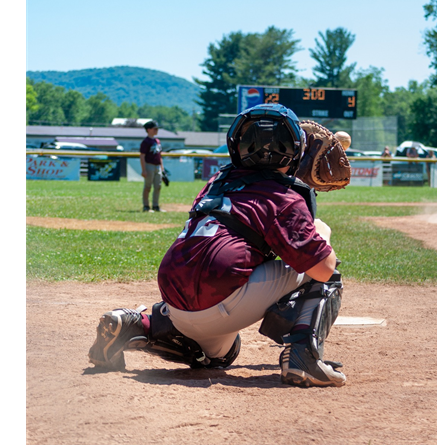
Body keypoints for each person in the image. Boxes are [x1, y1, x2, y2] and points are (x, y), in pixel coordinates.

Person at [88, 104, 347, 387]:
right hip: (222, 297)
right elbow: (322, 268)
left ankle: (138, 325)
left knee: (220, 355)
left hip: (174, 296)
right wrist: (319, 227)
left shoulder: (216, 182)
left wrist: (291, 184)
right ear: (295, 151)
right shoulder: (285, 196)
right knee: (326, 269)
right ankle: (303, 355)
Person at [140, 120, 165, 212]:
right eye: (155, 128)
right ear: (148, 129)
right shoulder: (145, 142)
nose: (156, 130)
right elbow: (142, 156)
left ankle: (155, 205)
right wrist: (144, 169)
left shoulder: (157, 141)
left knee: (158, 186)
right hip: (149, 165)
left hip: (157, 166)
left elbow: (159, 155)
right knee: (148, 187)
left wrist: (162, 168)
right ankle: (146, 206)